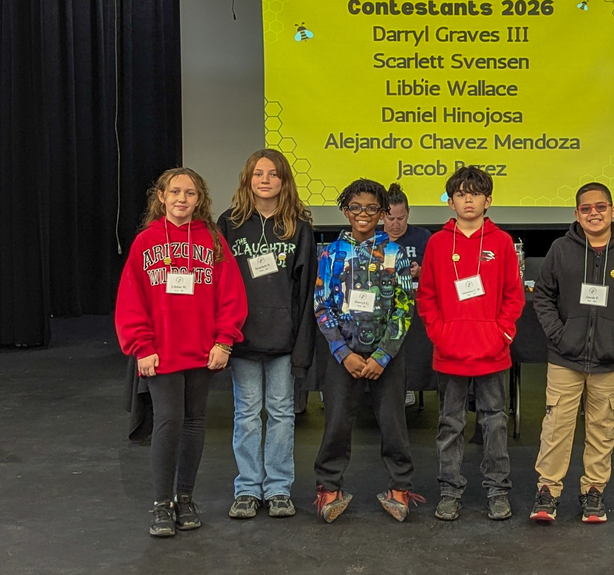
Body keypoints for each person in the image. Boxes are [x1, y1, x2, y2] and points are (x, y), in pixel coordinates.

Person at [115, 167, 247, 537]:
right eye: (175, 192)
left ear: (199, 200)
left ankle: (185, 497)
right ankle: (161, 504)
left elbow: (232, 296)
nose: (182, 199)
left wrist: (224, 341)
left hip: (203, 352)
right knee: (169, 422)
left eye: (190, 193)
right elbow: (130, 301)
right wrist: (141, 346)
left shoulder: (213, 241)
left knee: (194, 424)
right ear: (161, 197)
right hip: (161, 352)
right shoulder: (145, 242)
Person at [529, 182, 614, 524]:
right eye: (586, 209)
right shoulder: (560, 249)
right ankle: (547, 492)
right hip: (565, 358)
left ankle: (593, 493)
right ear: (576, 214)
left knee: (602, 427)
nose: (594, 213)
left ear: (613, 211)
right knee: (556, 426)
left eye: (601, 207)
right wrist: (559, 334)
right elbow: (542, 296)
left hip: (609, 359)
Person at [417, 166, 525, 521]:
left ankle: (497, 490)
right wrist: (440, 334)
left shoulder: (501, 242)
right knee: (450, 423)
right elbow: (427, 296)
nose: (468, 199)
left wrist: (502, 334)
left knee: (494, 422)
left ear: (488, 200)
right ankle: (450, 489)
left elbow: (514, 295)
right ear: (450, 202)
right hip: (450, 353)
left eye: (475, 194)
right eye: (461, 194)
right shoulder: (436, 243)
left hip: (492, 353)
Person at [312, 178, 420, 522]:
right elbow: (320, 304)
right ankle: (329, 488)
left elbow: (405, 307)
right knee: (337, 423)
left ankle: (400, 487)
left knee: (393, 423)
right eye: (356, 208)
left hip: (386, 357)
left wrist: (383, 355)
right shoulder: (329, 254)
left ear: (382, 213)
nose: (363, 214)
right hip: (343, 356)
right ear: (346, 211)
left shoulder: (396, 253)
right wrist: (343, 352)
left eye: (372, 208)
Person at [218, 149, 318, 521]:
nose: (265, 180)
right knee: (246, 413)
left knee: (280, 412)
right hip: (241, 337)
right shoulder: (229, 223)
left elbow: (306, 290)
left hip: (283, 338)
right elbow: (220, 284)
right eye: (258, 173)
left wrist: (302, 342)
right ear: (247, 179)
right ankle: (246, 488)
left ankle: (277, 488)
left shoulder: (298, 227)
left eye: (273, 174)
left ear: (284, 181)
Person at [383, 182, 432, 406]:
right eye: (391, 219)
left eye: (401, 219)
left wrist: (421, 271)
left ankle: (411, 381)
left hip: (414, 301)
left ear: (408, 214)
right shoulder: (373, 238)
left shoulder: (423, 237)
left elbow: (438, 270)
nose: (395, 224)